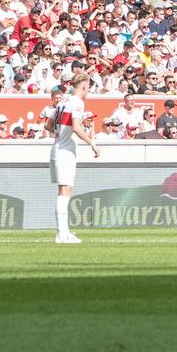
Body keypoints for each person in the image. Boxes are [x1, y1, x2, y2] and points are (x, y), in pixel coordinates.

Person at [49, 72, 100, 245]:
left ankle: (65, 231)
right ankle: (61, 234)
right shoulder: (77, 102)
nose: (88, 91)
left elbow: (48, 124)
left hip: (58, 146)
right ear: (84, 86)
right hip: (65, 150)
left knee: (64, 190)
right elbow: (77, 128)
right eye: (88, 88)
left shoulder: (63, 101)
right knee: (65, 191)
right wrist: (91, 142)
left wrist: (62, 133)